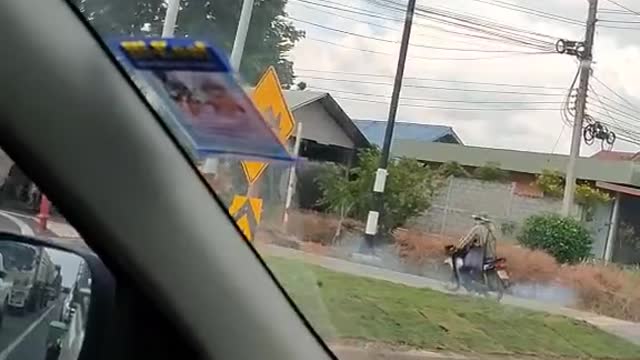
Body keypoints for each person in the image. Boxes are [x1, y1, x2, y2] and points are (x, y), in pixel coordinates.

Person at [454, 213, 497, 282]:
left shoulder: (478, 228)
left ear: (480, 220)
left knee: (465, 266)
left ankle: (468, 282)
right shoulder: (490, 230)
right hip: (490, 256)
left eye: (477, 219)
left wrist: (458, 247)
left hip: (478, 254)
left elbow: (467, 239)